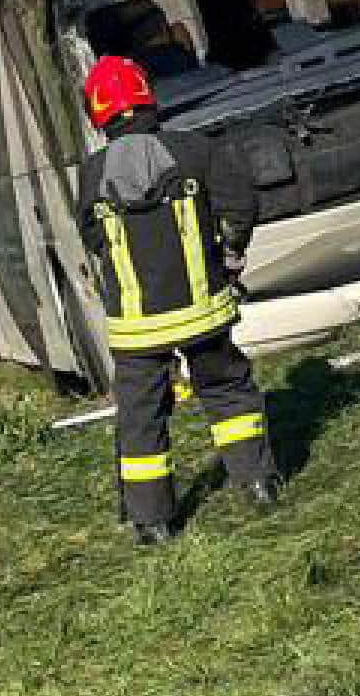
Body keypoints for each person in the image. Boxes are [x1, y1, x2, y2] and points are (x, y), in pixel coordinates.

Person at [74, 55, 278, 544]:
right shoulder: (196, 150)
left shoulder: (91, 174)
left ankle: (152, 522)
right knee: (228, 390)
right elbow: (240, 207)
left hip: (136, 327)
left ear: (98, 113)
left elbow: (90, 236)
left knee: (141, 416)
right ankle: (255, 482)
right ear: (149, 96)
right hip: (203, 310)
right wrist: (229, 256)